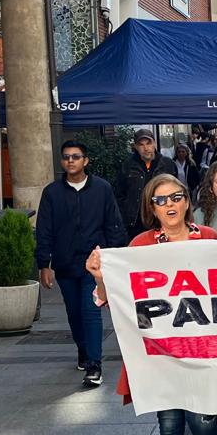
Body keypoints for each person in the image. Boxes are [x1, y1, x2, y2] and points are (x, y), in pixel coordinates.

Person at [85, 174, 217, 435]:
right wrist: (100, 276)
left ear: (187, 201)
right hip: (160, 354)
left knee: (204, 421)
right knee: (170, 425)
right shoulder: (140, 245)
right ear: (152, 208)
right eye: (161, 200)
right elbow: (114, 295)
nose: (170, 205)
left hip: (203, 350)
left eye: (176, 196)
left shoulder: (209, 239)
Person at [35, 139, 126, 389]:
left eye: (76, 156)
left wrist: (113, 256)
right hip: (65, 263)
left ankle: (94, 364)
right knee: (74, 314)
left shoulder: (102, 189)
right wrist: (44, 263)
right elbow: (44, 229)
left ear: (85, 161)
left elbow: (113, 224)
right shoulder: (52, 193)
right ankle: (83, 350)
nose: (70, 161)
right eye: (66, 157)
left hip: (94, 263)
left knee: (90, 311)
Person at [117, 128, 176, 231]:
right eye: (141, 145)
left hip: (162, 218)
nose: (146, 148)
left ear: (154, 144)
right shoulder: (128, 166)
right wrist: (125, 215)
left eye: (149, 143)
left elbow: (178, 190)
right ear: (135, 147)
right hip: (136, 222)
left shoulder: (167, 164)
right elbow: (119, 194)